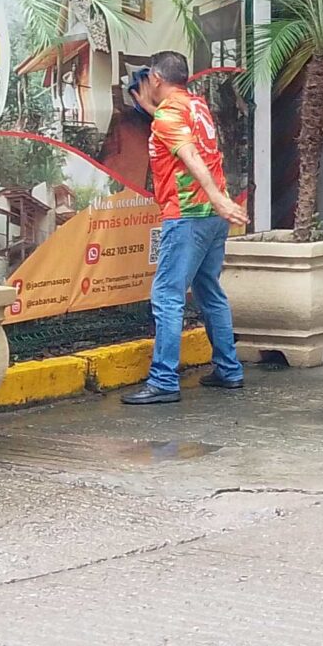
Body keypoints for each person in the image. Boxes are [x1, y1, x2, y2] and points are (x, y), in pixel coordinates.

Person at [123, 51, 250, 406]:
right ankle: (229, 369)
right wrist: (220, 202)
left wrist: (220, 199)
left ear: (157, 80)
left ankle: (163, 380)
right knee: (209, 290)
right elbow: (180, 134)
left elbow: (190, 156)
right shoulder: (196, 106)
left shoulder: (168, 116)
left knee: (167, 296)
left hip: (187, 215)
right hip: (211, 217)